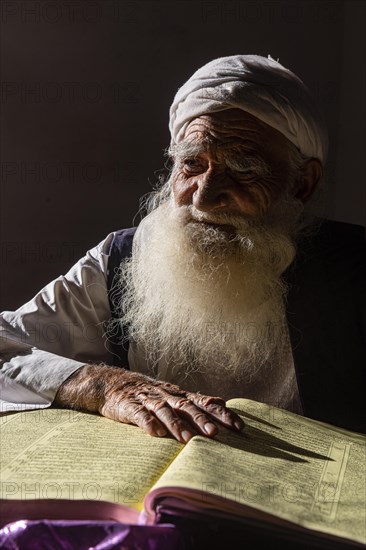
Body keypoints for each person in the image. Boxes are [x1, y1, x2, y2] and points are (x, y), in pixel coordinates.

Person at [1, 54, 365, 440]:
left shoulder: (354, 270)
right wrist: (102, 385)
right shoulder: (122, 260)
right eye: (192, 163)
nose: (205, 197)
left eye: (243, 169)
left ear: (301, 184)